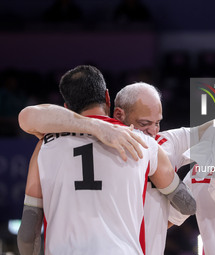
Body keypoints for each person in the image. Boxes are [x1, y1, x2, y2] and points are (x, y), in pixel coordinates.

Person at [17, 66, 196, 255]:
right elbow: (187, 205)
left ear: (66, 108)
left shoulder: (45, 145)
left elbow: (27, 234)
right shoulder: (143, 143)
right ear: (108, 98)